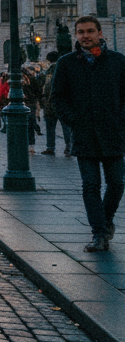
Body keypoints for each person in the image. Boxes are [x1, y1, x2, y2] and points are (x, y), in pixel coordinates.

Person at [50, 16, 125, 253]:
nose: (85, 36)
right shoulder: (67, 63)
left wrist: (120, 122)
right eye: (81, 32)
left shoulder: (117, 61)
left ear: (100, 33)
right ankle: (99, 234)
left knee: (116, 184)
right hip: (84, 133)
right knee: (90, 185)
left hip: (113, 133)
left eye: (90, 31)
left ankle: (105, 218)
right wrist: (73, 121)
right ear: (76, 35)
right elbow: (58, 97)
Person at [42, 52, 73, 156]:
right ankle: (68, 147)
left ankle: (51, 147)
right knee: (65, 127)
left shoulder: (50, 70)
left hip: (53, 103)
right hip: (59, 102)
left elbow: (46, 87)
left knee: (52, 127)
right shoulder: (63, 68)